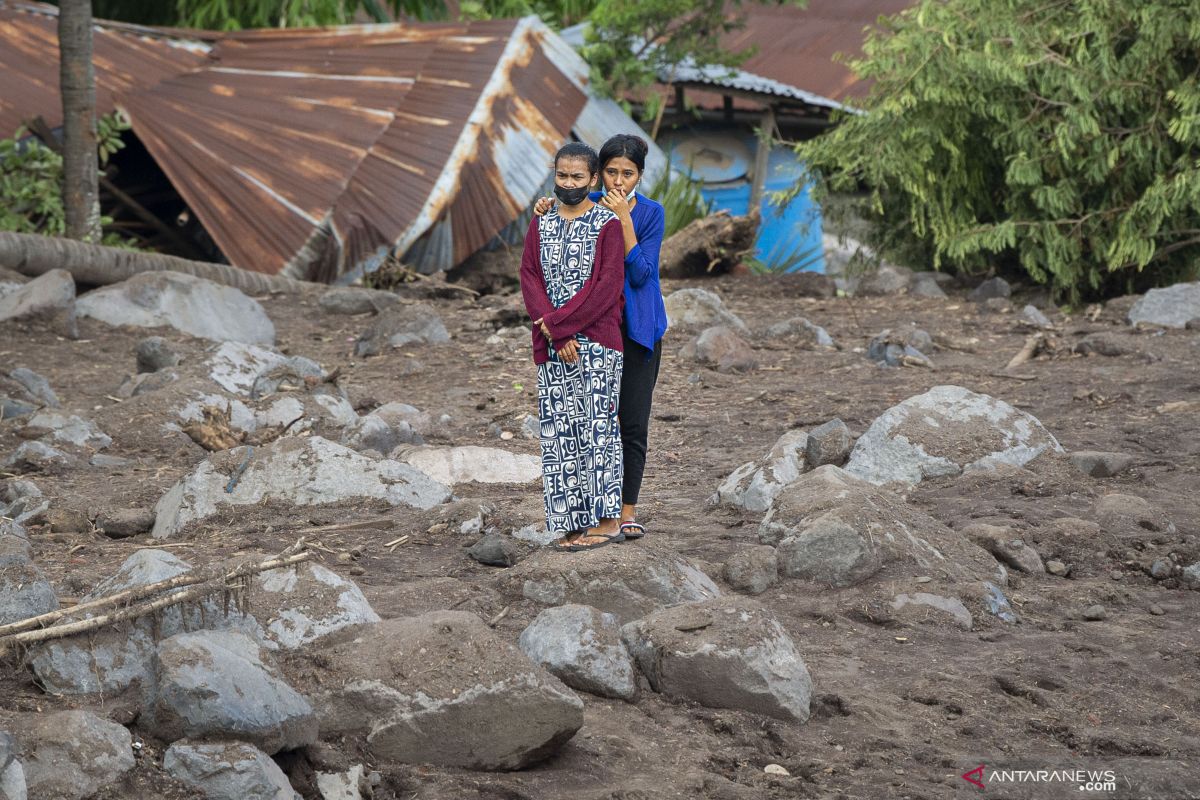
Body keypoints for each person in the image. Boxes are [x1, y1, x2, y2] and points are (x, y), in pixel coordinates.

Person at [533, 134, 668, 541]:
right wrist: (545, 206)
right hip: (593, 329)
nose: (618, 182)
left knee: (631, 421)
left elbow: (642, 273)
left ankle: (625, 511)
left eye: (628, 174)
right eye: (611, 172)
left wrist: (624, 219)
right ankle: (588, 512)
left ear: (640, 176)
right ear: (597, 175)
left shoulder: (650, 214)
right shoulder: (585, 208)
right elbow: (556, 245)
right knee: (592, 420)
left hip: (638, 330)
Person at [520, 142, 628, 552]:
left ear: (594, 179)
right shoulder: (541, 222)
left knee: (597, 427)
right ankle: (570, 522)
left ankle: (607, 519)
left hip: (597, 343)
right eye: (562, 176)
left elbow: (606, 288)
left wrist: (562, 327)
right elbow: (530, 275)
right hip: (553, 345)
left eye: (577, 177)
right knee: (560, 432)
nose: (568, 184)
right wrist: (556, 333)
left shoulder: (607, 225)